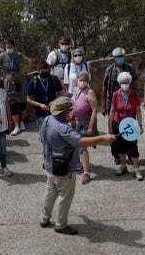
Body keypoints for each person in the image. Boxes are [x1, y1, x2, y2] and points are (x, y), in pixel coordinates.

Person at [40, 97, 116, 235]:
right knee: (65, 196)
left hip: (49, 165)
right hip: (63, 169)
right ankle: (61, 225)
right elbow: (81, 142)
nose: (71, 111)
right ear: (64, 112)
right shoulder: (63, 128)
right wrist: (104, 138)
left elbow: (41, 139)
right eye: (69, 109)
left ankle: (44, 218)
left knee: (50, 193)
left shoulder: (47, 120)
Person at [101, 47, 138, 164]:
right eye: (117, 57)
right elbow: (104, 87)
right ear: (113, 57)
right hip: (113, 103)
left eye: (121, 56)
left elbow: (135, 84)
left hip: (128, 103)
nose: (120, 58)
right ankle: (117, 154)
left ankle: (131, 154)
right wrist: (103, 105)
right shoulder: (109, 70)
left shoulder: (129, 68)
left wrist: (137, 98)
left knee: (129, 129)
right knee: (114, 131)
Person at [0, 38, 31, 136]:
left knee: (22, 101)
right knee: (12, 102)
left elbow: (29, 62)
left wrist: (25, 72)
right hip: (8, 79)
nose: (9, 49)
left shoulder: (19, 55)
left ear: (14, 47)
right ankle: (16, 126)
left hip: (19, 78)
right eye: (7, 47)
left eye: (10, 47)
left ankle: (22, 121)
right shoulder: (2, 56)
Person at [108, 72, 144, 181]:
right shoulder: (116, 94)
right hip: (118, 124)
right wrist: (110, 126)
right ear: (119, 83)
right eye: (122, 83)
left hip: (131, 125)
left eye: (126, 82)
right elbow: (112, 111)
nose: (124, 85)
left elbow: (138, 111)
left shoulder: (135, 94)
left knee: (133, 147)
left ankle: (136, 169)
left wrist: (140, 125)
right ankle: (123, 166)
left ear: (130, 82)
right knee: (120, 146)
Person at [70, 72, 98, 184]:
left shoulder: (90, 92)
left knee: (83, 148)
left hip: (84, 124)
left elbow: (95, 110)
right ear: (77, 80)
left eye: (85, 80)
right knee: (74, 145)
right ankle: (79, 164)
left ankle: (86, 172)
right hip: (73, 122)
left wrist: (90, 127)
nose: (82, 82)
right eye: (81, 80)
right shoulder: (76, 89)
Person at [27, 61, 63, 131]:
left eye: (47, 71)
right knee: (43, 133)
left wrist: (54, 102)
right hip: (40, 113)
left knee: (55, 132)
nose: (45, 73)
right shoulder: (33, 82)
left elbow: (60, 94)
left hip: (54, 110)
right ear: (38, 71)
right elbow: (28, 99)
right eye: (43, 71)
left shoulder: (54, 79)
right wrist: (40, 105)